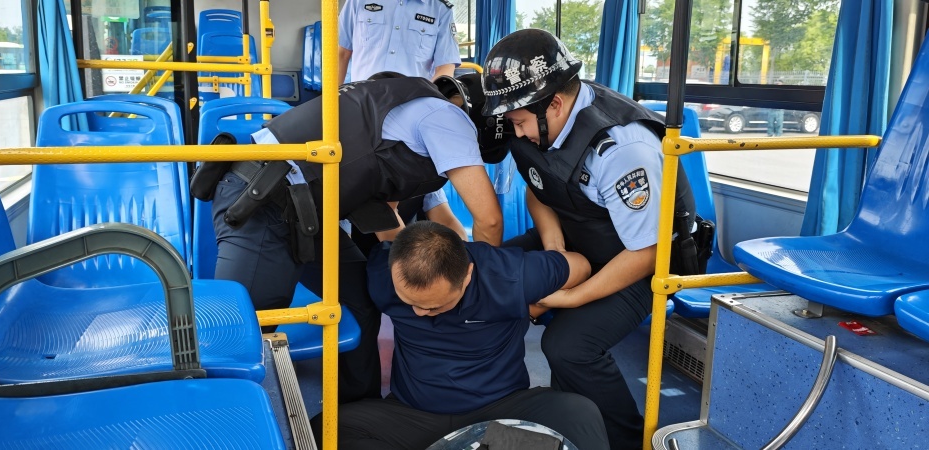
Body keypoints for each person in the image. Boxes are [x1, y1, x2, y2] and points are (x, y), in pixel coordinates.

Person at [191, 73, 506, 405]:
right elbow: (489, 221)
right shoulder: (448, 118)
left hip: (306, 211)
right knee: (239, 328)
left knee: (359, 300)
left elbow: (387, 223)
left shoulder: (403, 107)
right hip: (262, 200)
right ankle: (217, 417)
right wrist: (479, 290)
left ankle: (357, 408)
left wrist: (424, 270)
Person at [480, 29, 698, 450]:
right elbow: (539, 186)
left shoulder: (622, 151)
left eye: (520, 123)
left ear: (554, 105)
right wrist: (555, 250)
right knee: (486, 274)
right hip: (578, 236)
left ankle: (626, 440)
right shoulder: (546, 121)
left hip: (639, 261)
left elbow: (648, 251)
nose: (518, 134)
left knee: (568, 347)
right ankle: (545, 417)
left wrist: (570, 296)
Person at [312, 220, 610, 450]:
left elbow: (581, 266)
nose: (419, 313)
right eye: (409, 302)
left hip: (498, 411)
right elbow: (386, 217)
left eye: (433, 306)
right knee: (324, 430)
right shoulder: (383, 273)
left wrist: (537, 302)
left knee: (579, 413)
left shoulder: (508, 275)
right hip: (413, 416)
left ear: (467, 275)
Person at [338, 0, 462, 85]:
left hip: (412, 104)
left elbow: (445, 67)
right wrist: (332, 103)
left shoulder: (440, 9)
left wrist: (427, 100)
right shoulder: (357, 1)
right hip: (362, 101)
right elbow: (341, 54)